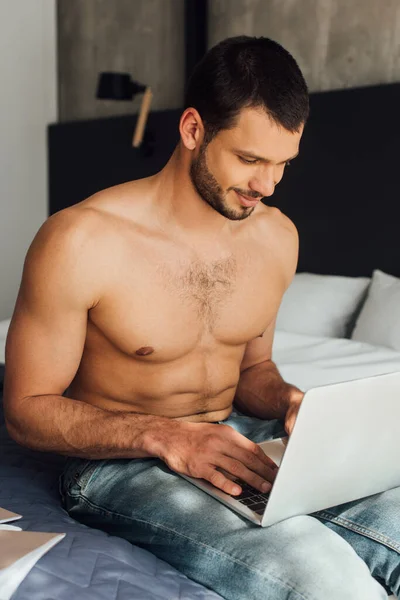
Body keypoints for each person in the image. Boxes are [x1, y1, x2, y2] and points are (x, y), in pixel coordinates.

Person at [3, 35, 399, 599]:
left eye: (283, 164)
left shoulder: (277, 238)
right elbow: (25, 411)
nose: (266, 185)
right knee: (324, 577)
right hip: (119, 462)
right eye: (249, 159)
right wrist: (164, 435)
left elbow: (254, 371)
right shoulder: (81, 240)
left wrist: (288, 403)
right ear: (193, 130)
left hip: (241, 437)